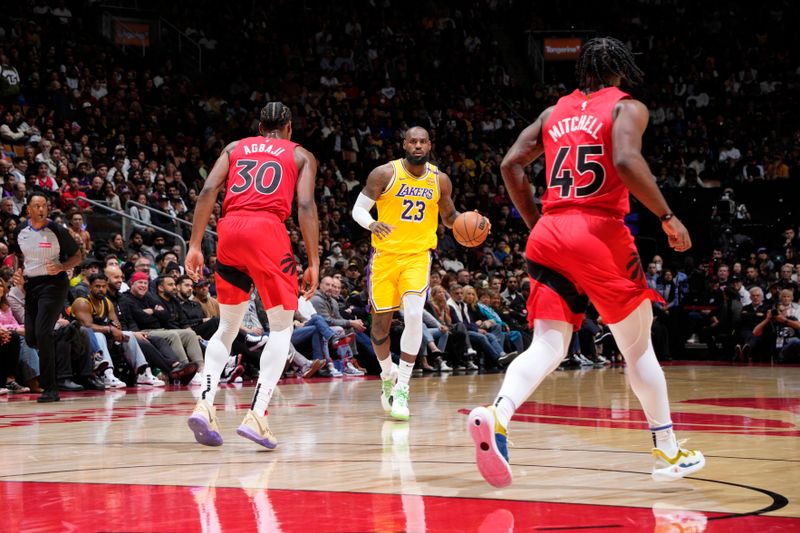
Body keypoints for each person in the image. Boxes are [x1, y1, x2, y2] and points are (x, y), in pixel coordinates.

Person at [468, 37, 704, 487]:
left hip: (550, 232)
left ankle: (497, 415)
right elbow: (626, 160)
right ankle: (668, 451)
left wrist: (539, 220)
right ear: (621, 69)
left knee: (548, 345)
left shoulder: (553, 112)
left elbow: (511, 164)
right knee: (638, 350)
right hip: (598, 232)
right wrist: (668, 216)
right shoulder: (626, 107)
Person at [184, 101, 319, 449]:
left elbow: (208, 191)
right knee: (281, 327)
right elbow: (305, 206)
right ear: (289, 128)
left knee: (227, 327)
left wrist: (195, 244)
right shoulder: (300, 155)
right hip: (267, 232)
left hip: (229, 231)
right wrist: (314, 261)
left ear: (259, 127)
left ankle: (205, 403)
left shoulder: (234, 148)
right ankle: (257, 415)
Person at [351, 126, 470, 420]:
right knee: (379, 328)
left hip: (417, 257)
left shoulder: (439, 180)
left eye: (422, 142)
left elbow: (451, 217)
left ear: (429, 145)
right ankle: (386, 376)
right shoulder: (384, 174)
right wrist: (371, 224)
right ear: (404, 144)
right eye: (412, 141)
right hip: (384, 258)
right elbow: (358, 210)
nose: (417, 146)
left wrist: (472, 222)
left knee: (415, 314)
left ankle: (403, 387)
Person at [16, 192, 82, 402]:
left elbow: (78, 256)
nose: (41, 209)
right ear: (29, 209)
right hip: (31, 284)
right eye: (36, 206)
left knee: (43, 335)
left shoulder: (56, 229)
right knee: (32, 337)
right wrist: (19, 271)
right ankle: (62, 334)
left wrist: (62, 266)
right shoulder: (20, 230)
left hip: (54, 284)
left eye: (44, 205)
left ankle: (51, 388)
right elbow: (21, 255)